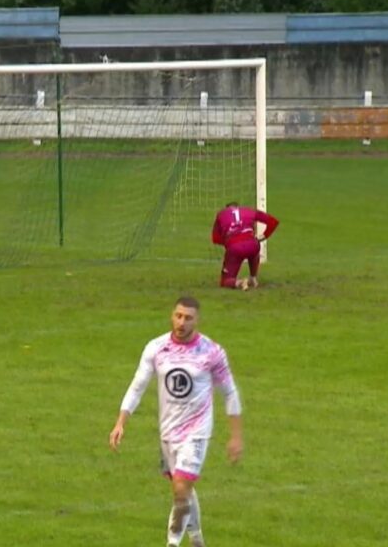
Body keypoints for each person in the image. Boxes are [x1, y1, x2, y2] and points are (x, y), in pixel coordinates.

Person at [109, 296, 243, 547]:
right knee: (183, 488)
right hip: (168, 431)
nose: (182, 322)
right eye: (178, 316)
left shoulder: (211, 353)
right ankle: (197, 539)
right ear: (172, 316)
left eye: (188, 318)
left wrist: (236, 436)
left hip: (197, 431)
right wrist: (121, 422)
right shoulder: (156, 348)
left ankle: (172, 542)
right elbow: (138, 386)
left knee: (181, 488)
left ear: (197, 320)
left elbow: (230, 392)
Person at [211, 202, 279, 291]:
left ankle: (240, 282)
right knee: (254, 247)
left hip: (235, 248)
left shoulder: (221, 214)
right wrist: (264, 236)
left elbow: (215, 238)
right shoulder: (249, 210)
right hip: (252, 244)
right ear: (238, 207)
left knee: (225, 281)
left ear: (226, 209)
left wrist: (229, 242)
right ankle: (253, 278)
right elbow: (273, 222)